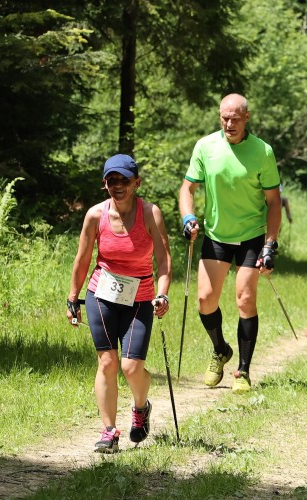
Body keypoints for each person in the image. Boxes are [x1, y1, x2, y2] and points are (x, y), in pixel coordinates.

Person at [66, 154, 171, 453]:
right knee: (108, 362)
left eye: (124, 180)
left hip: (139, 298)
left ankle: (141, 407)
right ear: (105, 184)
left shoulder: (150, 214)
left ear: (136, 182)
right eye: (112, 180)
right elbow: (82, 259)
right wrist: (73, 297)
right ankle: (109, 431)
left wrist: (162, 294)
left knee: (131, 366)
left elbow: (163, 261)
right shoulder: (95, 216)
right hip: (102, 294)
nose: (118, 185)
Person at [179, 93, 281, 394]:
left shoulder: (262, 151)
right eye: (225, 117)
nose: (229, 123)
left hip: (251, 236)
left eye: (235, 118)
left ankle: (243, 371)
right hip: (216, 234)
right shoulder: (205, 146)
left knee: (245, 300)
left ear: (246, 117)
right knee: (205, 301)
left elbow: (273, 203)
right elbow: (188, 188)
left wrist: (270, 245)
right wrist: (187, 217)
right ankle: (221, 349)